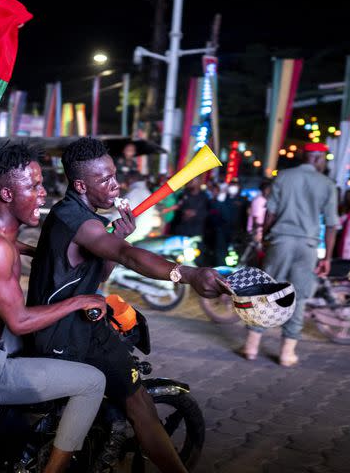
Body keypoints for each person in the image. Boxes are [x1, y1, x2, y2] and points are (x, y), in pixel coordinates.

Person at [27, 137, 230, 473]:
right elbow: (126, 256)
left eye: (114, 175)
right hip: (68, 332)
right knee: (140, 405)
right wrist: (188, 274)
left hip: (73, 323)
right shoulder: (75, 219)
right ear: (80, 184)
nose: (115, 184)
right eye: (104, 179)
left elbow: (102, 269)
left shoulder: (78, 216)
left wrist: (118, 235)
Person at [0, 144, 106, 473]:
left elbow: (7, 243)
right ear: (6, 193)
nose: (43, 194)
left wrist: (36, 251)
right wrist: (79, 300)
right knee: (92, 382)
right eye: (33, 186)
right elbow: (19, 321)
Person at [241, 143, 339, 367]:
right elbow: (332, 225)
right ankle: (287, 354)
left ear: (304, 156)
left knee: (266, 293)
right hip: (307, 247)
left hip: (281, 241)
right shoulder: (327, 184)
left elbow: (271, 212)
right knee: (298, 297)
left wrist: (265, 238)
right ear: (320, 159)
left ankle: (251, 346)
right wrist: (327, 258)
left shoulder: (283, 177)